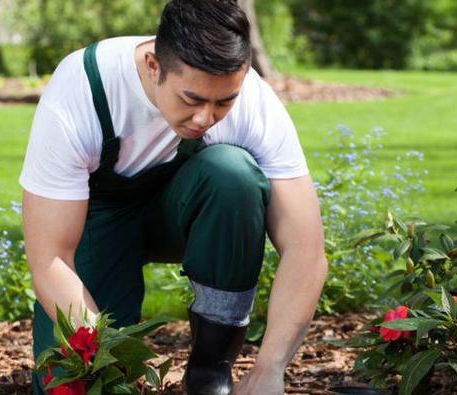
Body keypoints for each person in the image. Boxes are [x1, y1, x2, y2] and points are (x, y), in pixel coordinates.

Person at [19, 0, 328, 394]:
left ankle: (210, 369)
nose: (206, 117)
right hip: (93, 222)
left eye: (223, 102)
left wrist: (270, 368)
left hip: (180, 211)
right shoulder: (82, 87)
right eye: (192, 99)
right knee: (72, 383)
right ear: (153, 65)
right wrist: (104, 361)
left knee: (233, 175)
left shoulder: (252, 100)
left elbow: (307, 250)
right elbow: (50, 259)